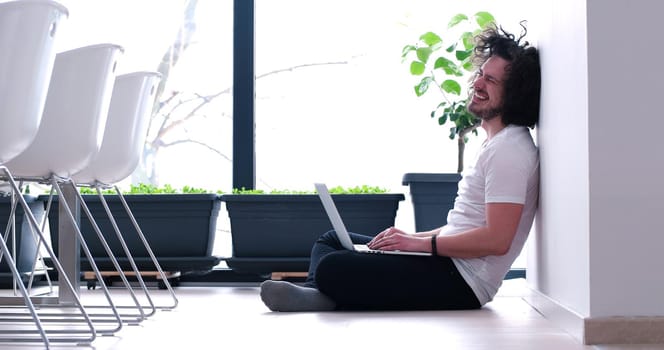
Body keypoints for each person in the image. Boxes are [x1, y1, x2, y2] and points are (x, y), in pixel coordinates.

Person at [260, 23, 541, 312]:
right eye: (481, 74)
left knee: (334, 265)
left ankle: (322, 292)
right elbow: (463, 227)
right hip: (446, 264)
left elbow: (497, 240)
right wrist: (409, 239)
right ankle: (317, 294)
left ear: (514, 95)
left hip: (463, 282)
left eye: (491, 81)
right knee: (331, 241)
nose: (477, 84)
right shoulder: (498, 145)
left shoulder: (510, 151)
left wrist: (419, 246)